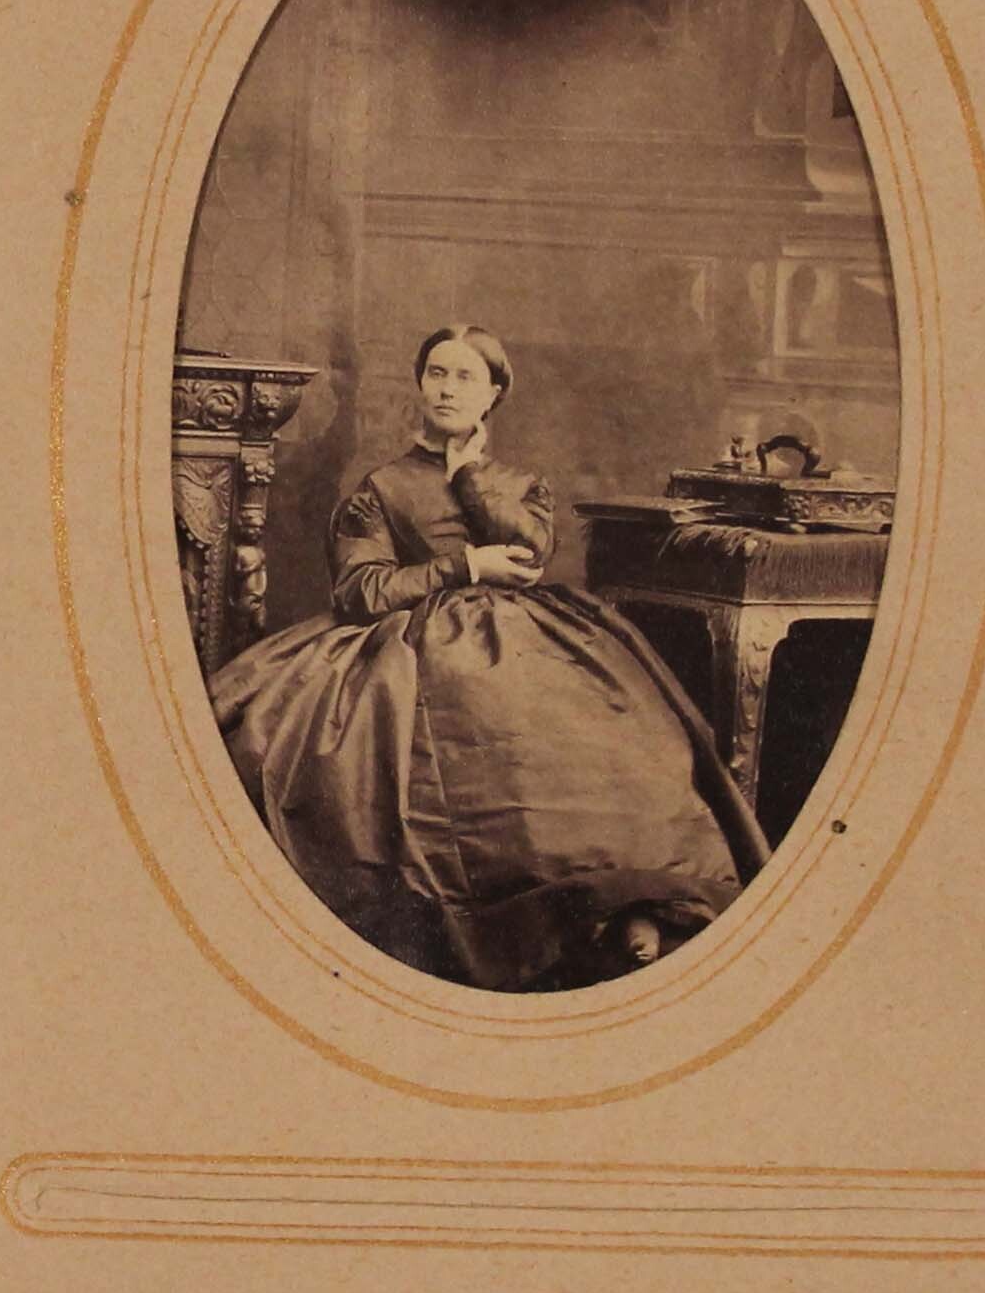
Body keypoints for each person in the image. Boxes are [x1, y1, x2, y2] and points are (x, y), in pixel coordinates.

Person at [209, 324, 769, 992]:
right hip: (418, 641)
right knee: (481, 736)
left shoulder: (520, 485)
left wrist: (468, 473)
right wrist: (465, 565)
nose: (447, 389)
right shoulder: (380, 488)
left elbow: (529, 554)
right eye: (436, 374)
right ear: (419, 385)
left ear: (494, 394)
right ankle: (547, 925)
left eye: (465, 377)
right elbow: (362, 591)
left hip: (532, 636)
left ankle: (631, 904)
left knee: (608, 739)